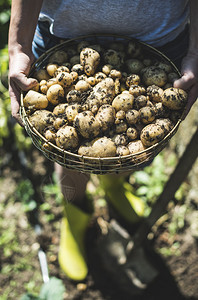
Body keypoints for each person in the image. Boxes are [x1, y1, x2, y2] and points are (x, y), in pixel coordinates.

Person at [8, 0, 198, 281]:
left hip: (160, 43)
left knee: (134, 152)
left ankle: (113, 186)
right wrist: (18, 46)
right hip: (62, 37)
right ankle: (75, 216)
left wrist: (196, 49)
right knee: (69, 159)